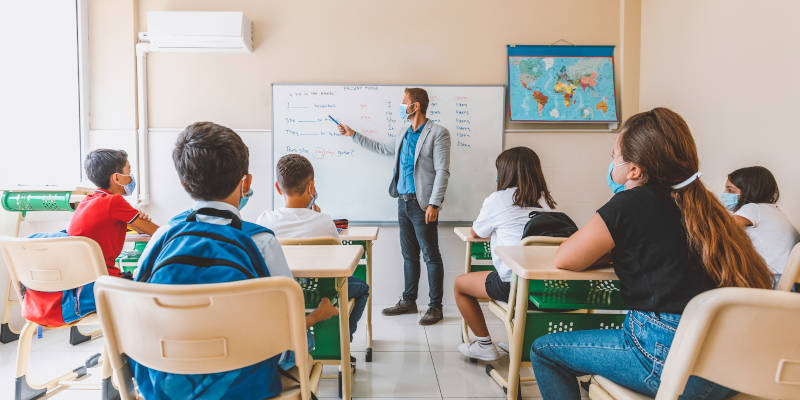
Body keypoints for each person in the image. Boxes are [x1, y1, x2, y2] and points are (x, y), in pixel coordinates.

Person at [530, 108, 773, 399]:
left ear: (634, 169)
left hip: (670, 365)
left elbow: (566, 257)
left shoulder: (628, 204)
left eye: (614, 156)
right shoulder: (708, 208)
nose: (610, 163)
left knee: (544, 350)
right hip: (732, 369)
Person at [133, 122, 338, 399]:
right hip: (244, 379)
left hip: (168, 380)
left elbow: (137, 311)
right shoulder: (261, 242)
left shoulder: (162, 237)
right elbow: (288, 323)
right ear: (246, 183)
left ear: (183, 182)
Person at [338, 88, 451, 325]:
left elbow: (442, 171)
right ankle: (409, 301)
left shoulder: (438, 133)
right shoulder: (403, 133)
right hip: (403, 201)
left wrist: (434, 203)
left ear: (416, 106)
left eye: (404, 102)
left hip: (423, 205)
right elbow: (381, 148)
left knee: (431, 255)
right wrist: (353, 134)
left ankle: (435, 307)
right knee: (409, 255)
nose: (402, 105)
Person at [454, 147, 556, 361]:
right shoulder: (547, 201)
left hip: (514, 285)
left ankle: (483, 345)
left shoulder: (498, 199)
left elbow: (475, 232)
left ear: (505, 173)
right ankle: (518, 341)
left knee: (460, 285)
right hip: (546, 287)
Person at [257, 153, 370, 342]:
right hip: (323, 293)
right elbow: (337, 265)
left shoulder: (264, 221)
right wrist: (318, 216)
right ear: (311, 187)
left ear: (278, 188)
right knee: (362, 288)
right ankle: (343, 341)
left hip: (282, 294)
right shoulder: (325, 223)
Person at [69, 149, 159, 276]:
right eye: (129, 171)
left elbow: (137, 228)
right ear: (117, 177)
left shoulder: (88, 200)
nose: (131, 178)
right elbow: (158, 232)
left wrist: (138, 222)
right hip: (105, 277)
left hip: (83, 277)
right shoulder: (113, 201)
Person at [722, 166, 800, 287]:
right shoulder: (774, 211)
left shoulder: (753, 208)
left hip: (774, 279)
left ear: (750, 190)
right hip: (791, 280)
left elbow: (721, 229)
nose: (724, 194)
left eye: (730, 190)